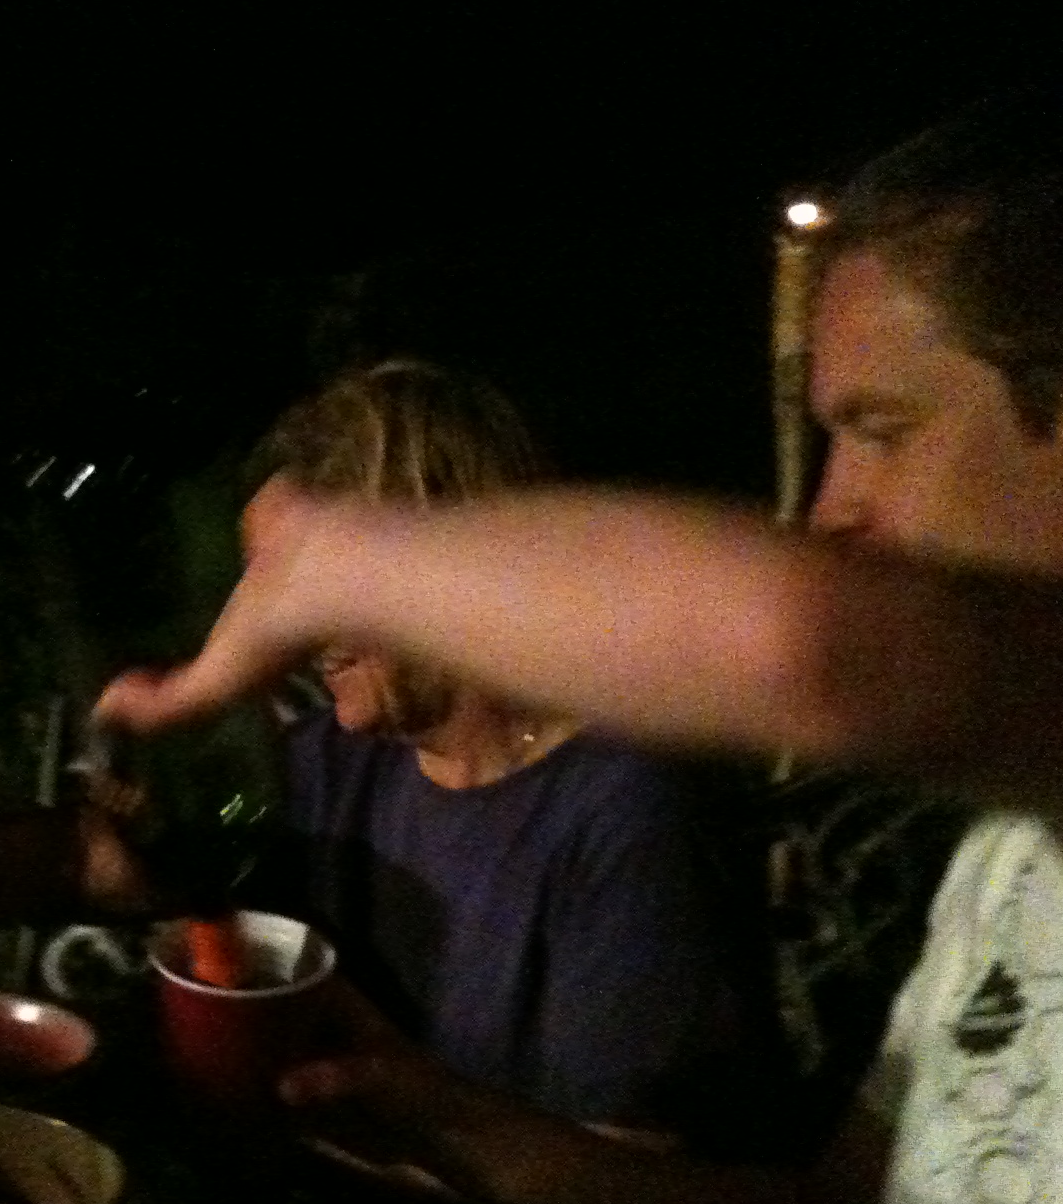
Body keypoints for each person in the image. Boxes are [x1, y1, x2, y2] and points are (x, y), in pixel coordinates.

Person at [98, 70, 1063, 1204]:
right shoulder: (1025, 855)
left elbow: (805, 650)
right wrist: (429, 1108)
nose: (828, 511)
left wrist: (331, 558)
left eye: (879, 431)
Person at [239, 359, 782, 1141]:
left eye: (310, 583)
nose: (278, 626)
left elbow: (628, 1173)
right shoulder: (330, 761)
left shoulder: (626, 810)